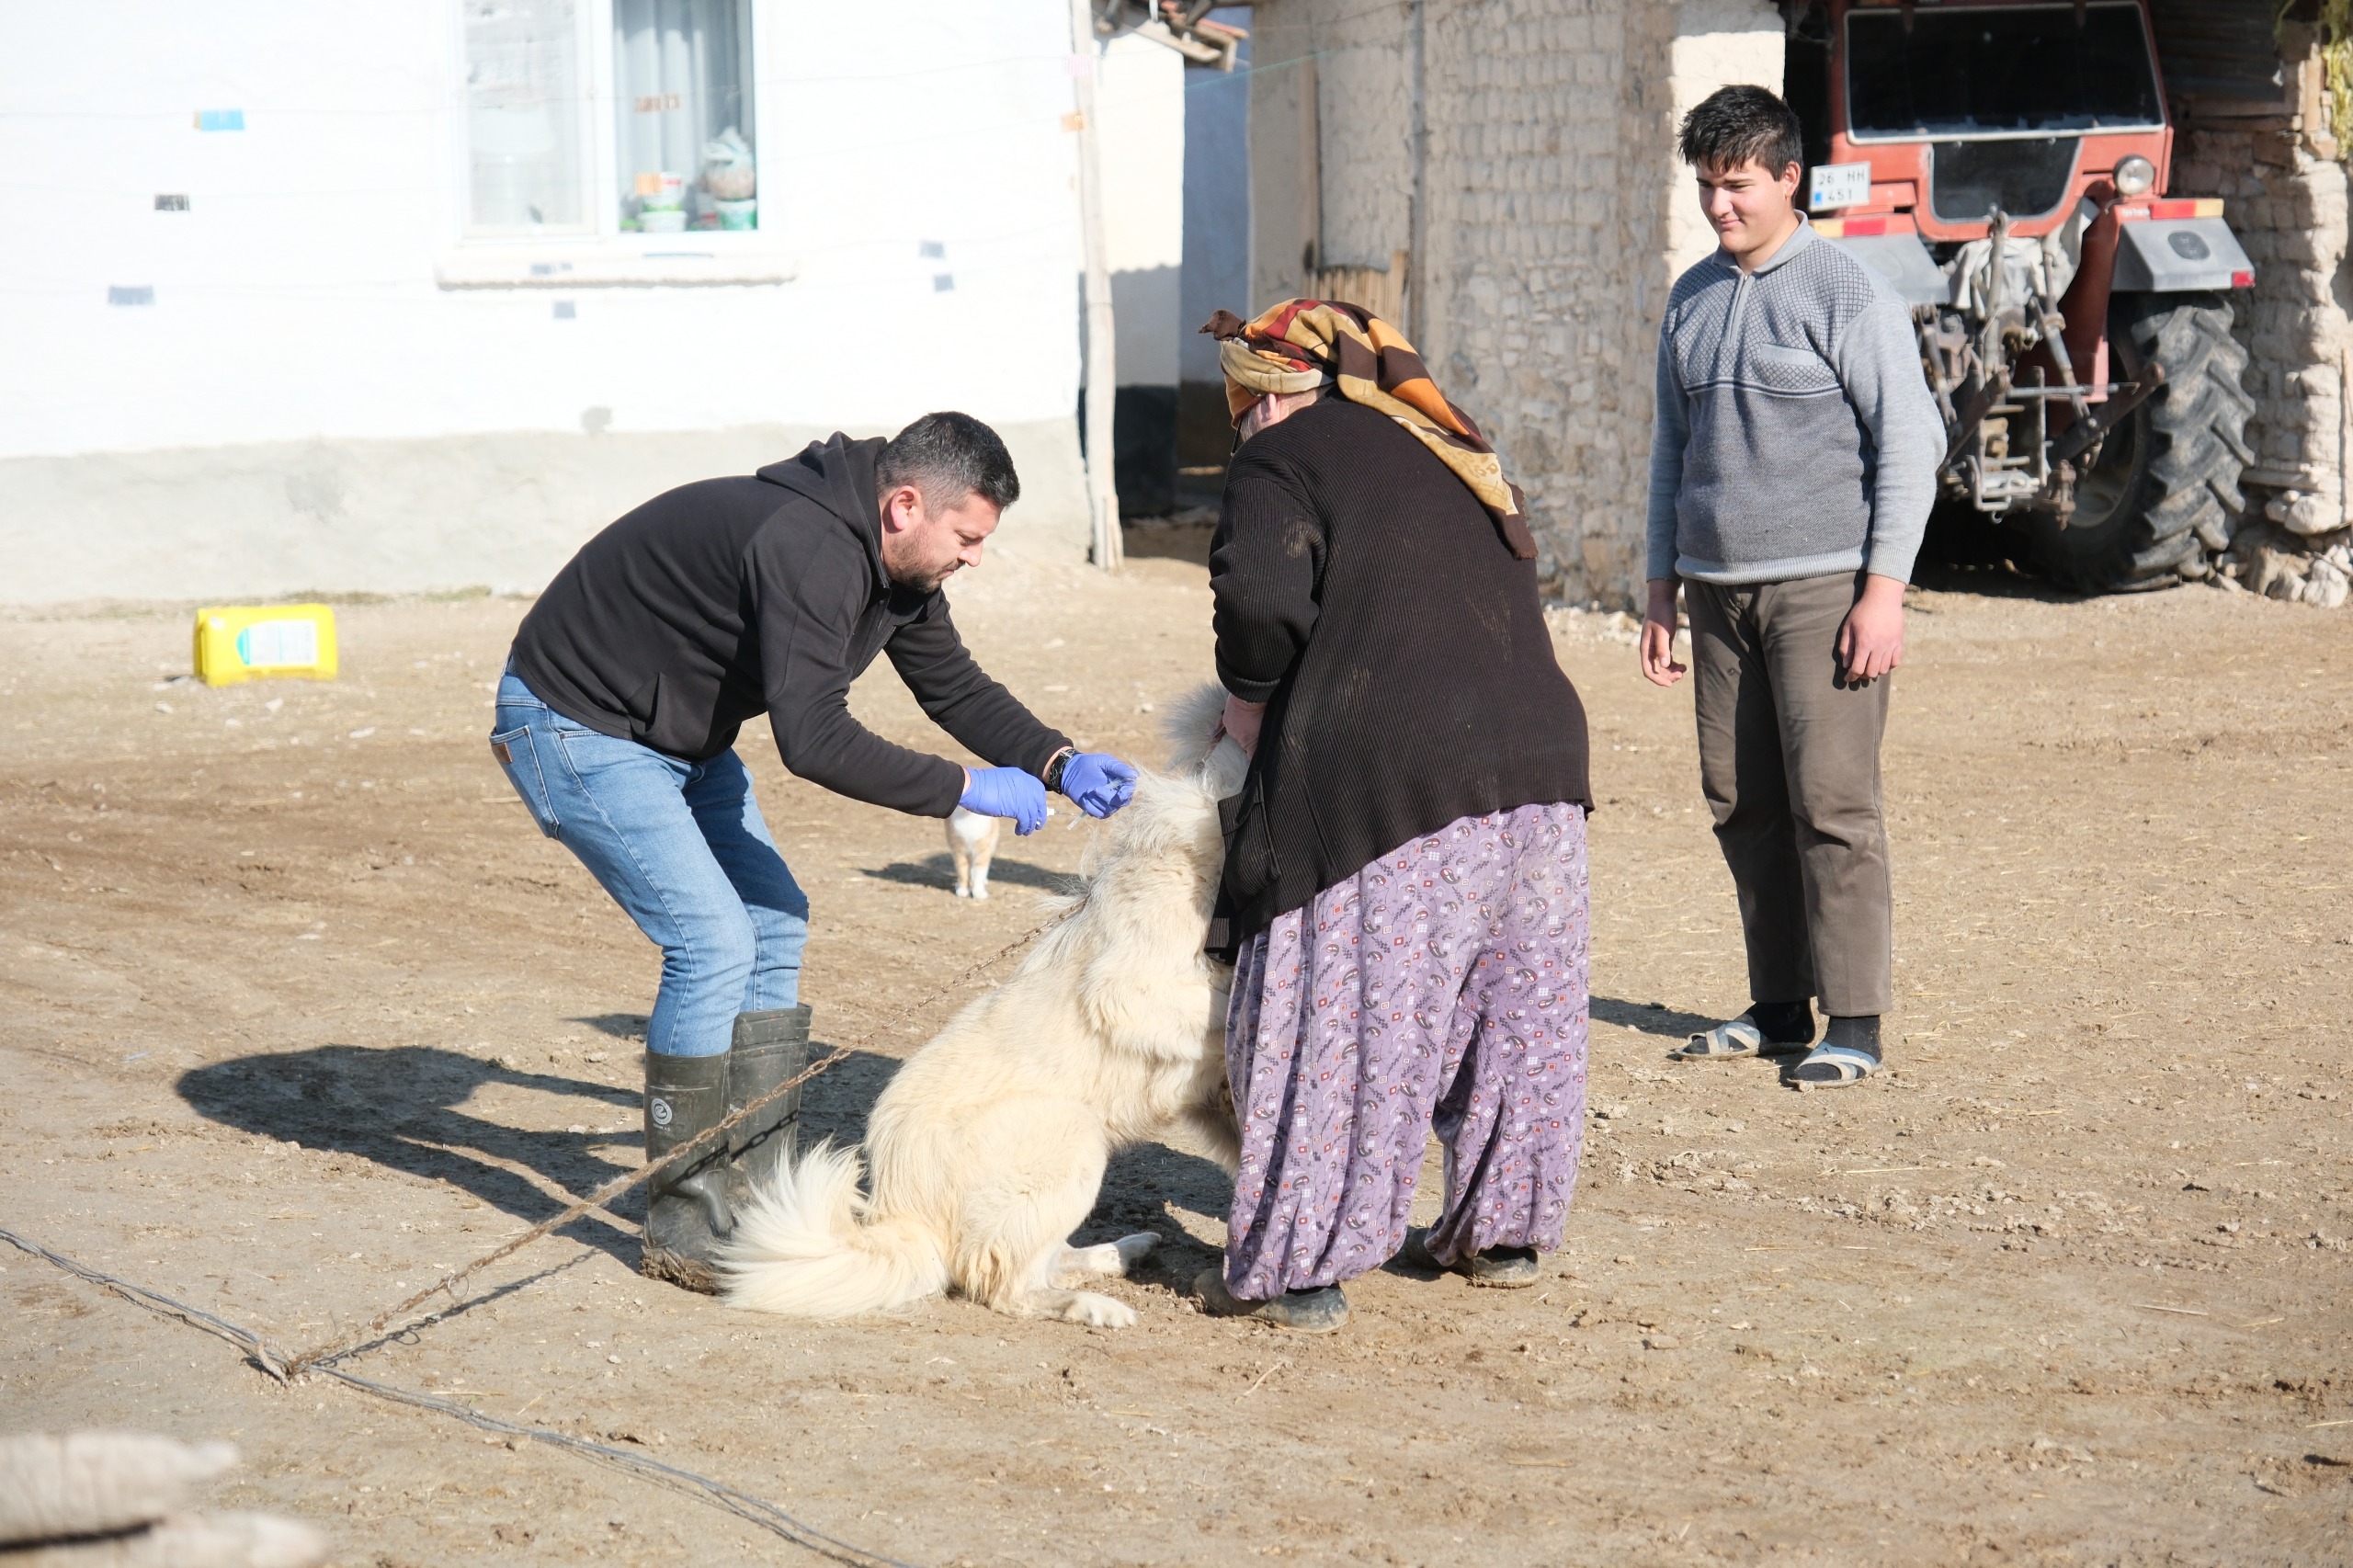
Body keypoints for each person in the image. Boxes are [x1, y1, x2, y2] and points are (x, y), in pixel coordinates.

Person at [490, 412, 1138, 1291]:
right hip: (576, 724)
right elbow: (815, 740)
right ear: (906, 504)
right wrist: (965, 788)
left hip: (680, 738)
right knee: (713, 942)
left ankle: (756, 1194)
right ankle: (687, 1223)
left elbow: (952, 682)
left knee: (776, 921)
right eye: (969, 537)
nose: (976, 557)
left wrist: (1055, 760)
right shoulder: (807, 546)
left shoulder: (893, 563)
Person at [1192, 301, 1594, 1333]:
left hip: (1398, 768)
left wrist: (1243, 705)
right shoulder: (1446, 444)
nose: (1239, 421)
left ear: (1265, 394)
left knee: (1342, 1007)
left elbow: (1263, 606)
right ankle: (1502, 1231)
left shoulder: (1279, 460)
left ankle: (1298, 1265)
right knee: (1514, 1012)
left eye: (1239, 403)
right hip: (1540, 765)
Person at [1640, 85, 1943, 1086]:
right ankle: (1777, 1006)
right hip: (1715, 596)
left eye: (1736, 186)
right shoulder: (1688, 298)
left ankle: (1853, 1021)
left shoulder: (1843, 292)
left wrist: (1883, 590)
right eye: (1705, 187)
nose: (1718, 205)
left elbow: (1912, 440)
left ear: (1787, 178)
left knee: (1832, 804)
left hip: (1823, 593)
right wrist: (1658, 588)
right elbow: (1670, 455)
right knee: (1739, 801)